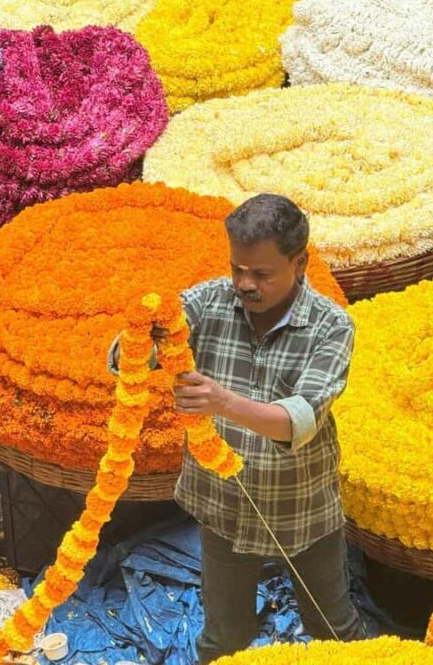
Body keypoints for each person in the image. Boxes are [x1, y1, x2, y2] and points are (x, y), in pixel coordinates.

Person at [108, 193, 366, 663]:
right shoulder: (208, 301)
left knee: (334, 629)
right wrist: (145, 333)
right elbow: (124, 360)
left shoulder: (331, 327)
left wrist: (222, 401)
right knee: (223, 639)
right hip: (223, 509)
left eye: (261, 274)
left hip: (301, 510)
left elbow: (299, 420)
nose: (245, 284)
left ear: (299, 263)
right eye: (237, 269)